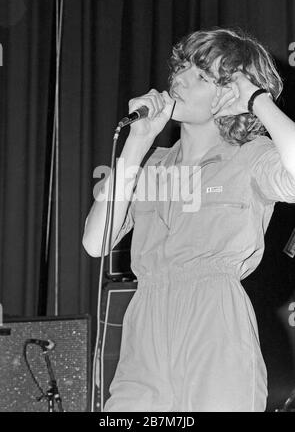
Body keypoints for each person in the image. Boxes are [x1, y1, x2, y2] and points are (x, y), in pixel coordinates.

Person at [82, 27, 295, 412]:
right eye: (181, 68)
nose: (178, 79)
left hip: (214, 321)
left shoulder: (250, 156)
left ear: (231, 93)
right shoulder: (152, 164)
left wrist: (256, 100)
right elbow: (95, 241)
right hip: (145, 324)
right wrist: (138, 142)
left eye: (200, 76)